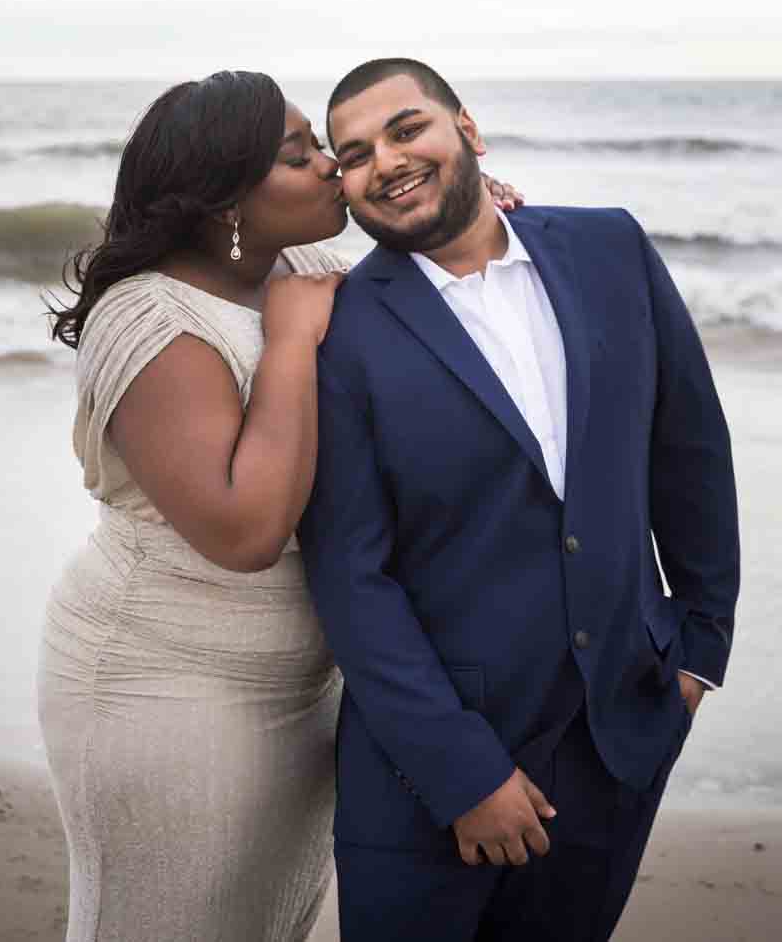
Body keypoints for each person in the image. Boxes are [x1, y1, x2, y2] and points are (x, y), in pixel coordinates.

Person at [37, 70, 519, 942]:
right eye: (301, 156)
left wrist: (474, 215)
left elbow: (427, 297)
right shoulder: (150, 318)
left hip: (303, 686)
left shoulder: (294, 265)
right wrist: (293, 341)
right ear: (228, 200)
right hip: (169, 685)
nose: (334, 167)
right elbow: (247, 527)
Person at [299, 58, 741, 942]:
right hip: (427, 777)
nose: (383, 161)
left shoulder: (611, 249)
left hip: (616, 740)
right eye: (353, 154)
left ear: (468, 127)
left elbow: (689, 452)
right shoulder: (340, 327)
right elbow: (352, 577)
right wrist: (462, 774)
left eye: (405, 128)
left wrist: (699, 653)